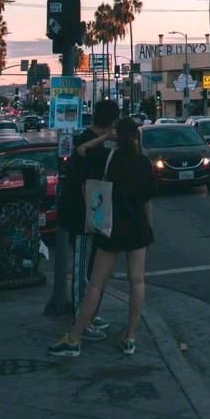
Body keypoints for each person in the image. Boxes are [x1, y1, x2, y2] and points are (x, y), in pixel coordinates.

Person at [48, 116, 155, 359]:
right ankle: (130, 337)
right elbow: (147, 201)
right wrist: (150, 228)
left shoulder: (106, 158)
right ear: (136, 137)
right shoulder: (143, 163)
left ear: (118, 137)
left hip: (111, 227)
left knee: (95, 284)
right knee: (137, 282)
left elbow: (81, 149)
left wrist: (106, 136)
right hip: (138, 227)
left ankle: (74, 338)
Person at [64, 99, 119, 340]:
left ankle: (89, 313)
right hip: (81, 214)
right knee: (80, 269)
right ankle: (81, 319)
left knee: (91, 268)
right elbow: (83, 171)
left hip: (95, 213)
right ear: (111, 121)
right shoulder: (86, 140)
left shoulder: (97, 142)